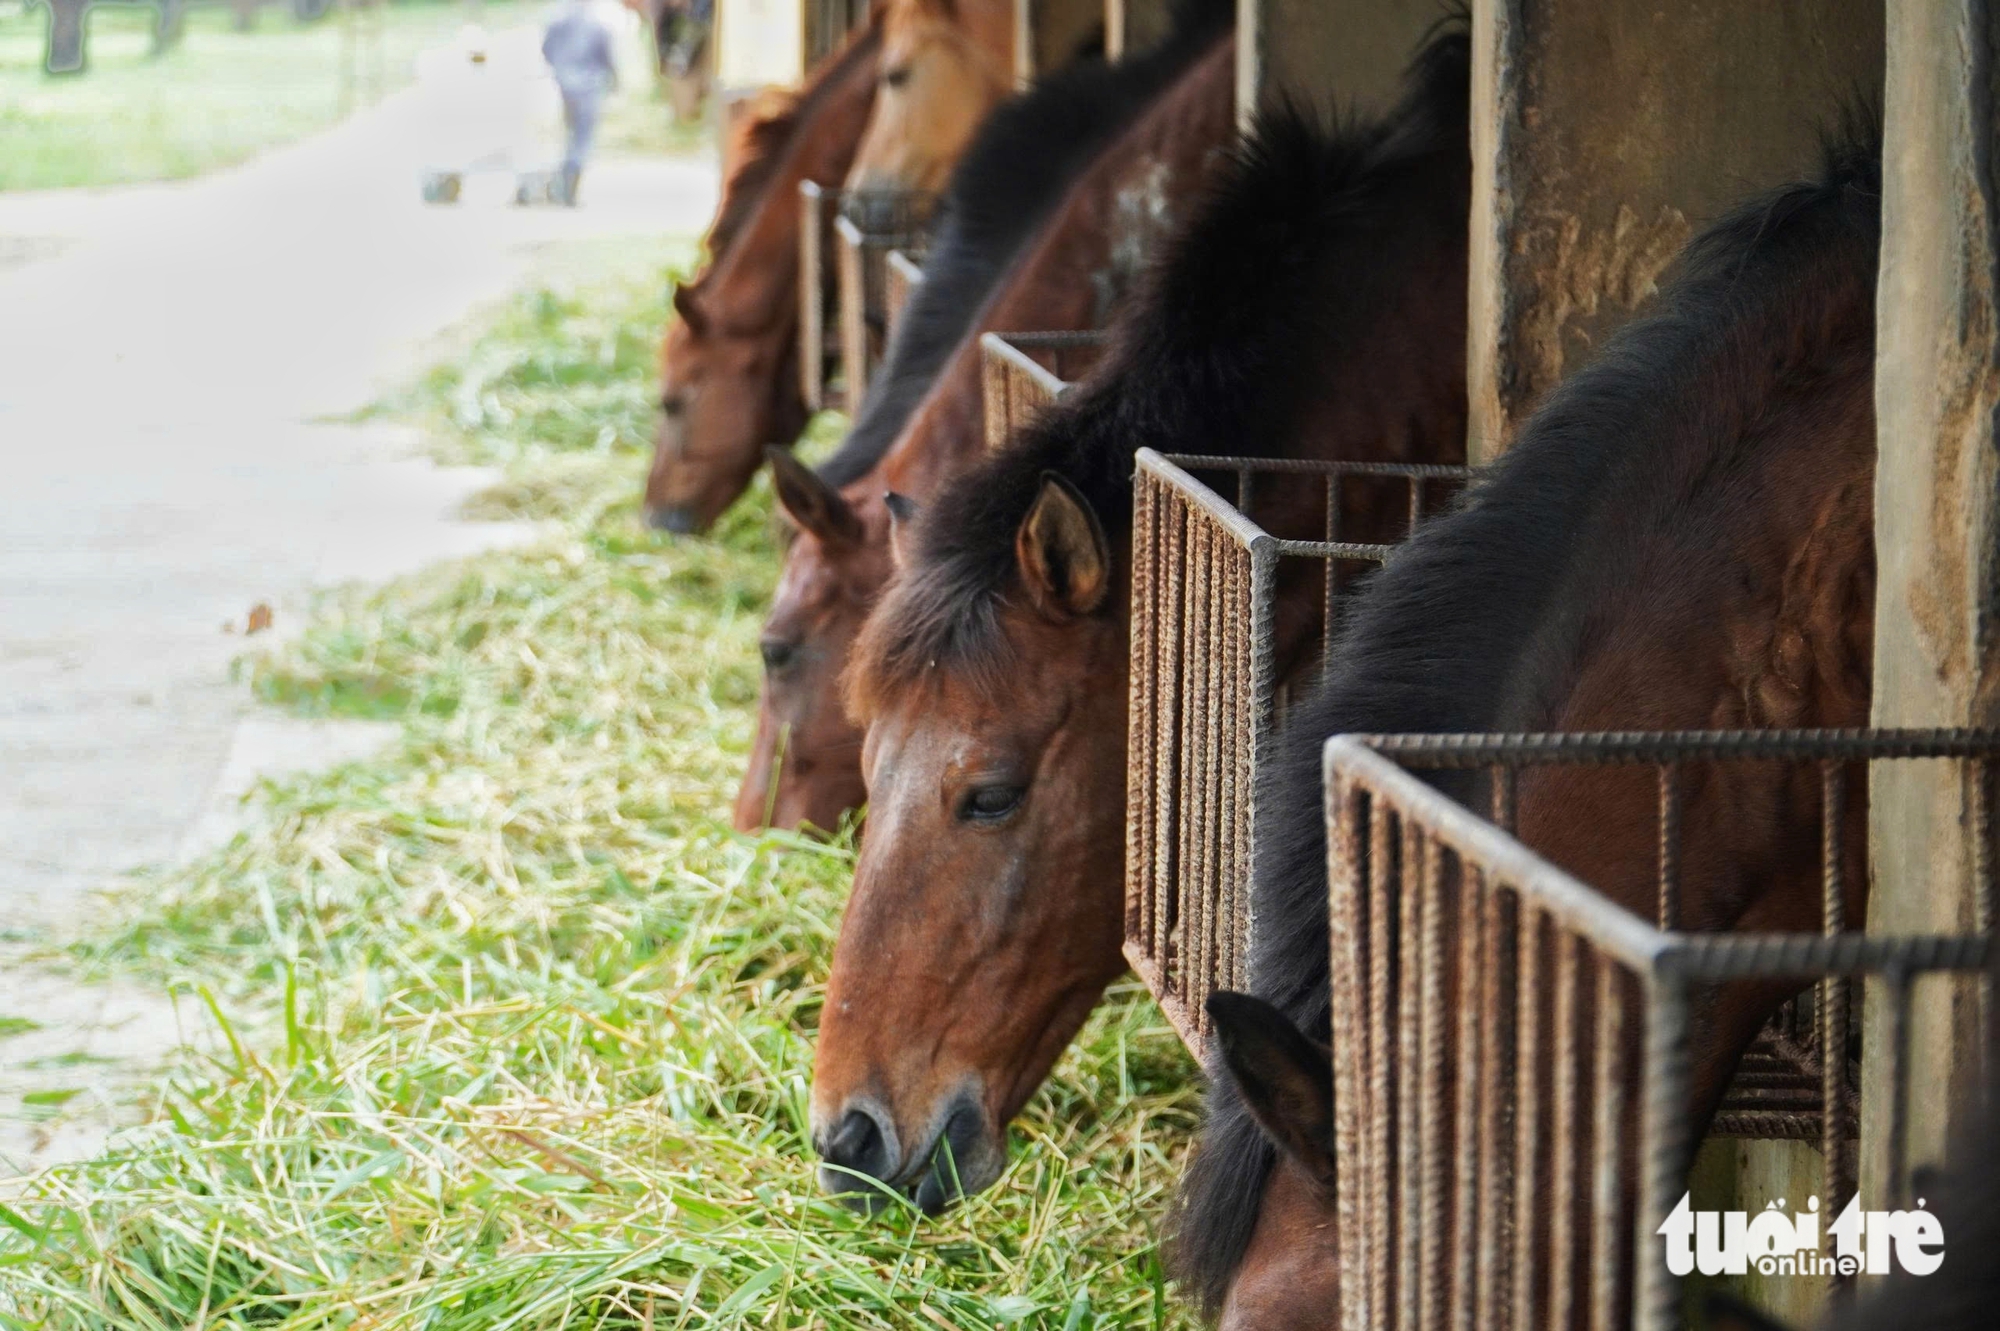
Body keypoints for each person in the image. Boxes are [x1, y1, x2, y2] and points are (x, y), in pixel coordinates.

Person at [540, 0, 618, 205]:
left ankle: (563, 184)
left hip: (564, 84)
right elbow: (608, 55)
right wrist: (615, 81)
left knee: (569, 135)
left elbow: (546, 50)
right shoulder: (597, 21)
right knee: (582, 138)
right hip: (589, 86)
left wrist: (560, 71)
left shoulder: (556, 17)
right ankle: (569, 188)